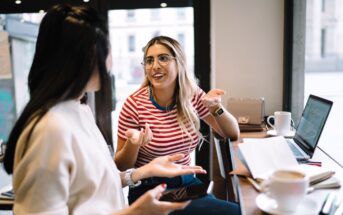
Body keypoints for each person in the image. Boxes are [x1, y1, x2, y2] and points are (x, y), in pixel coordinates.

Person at [2, 5, 208, 215]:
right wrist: (134, 212)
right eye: (106, 50)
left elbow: (99, 181)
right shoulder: (48, 130)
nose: (110, 60)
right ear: (83, 59)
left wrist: (147, 170)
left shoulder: (80, 111)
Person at [115, 36, 240, 214]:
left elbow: (232, 134)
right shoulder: (134, 104)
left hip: (187, 185)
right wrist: (133, 144)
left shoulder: (192, 94)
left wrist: (216, 108)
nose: (155, 66)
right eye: (149, 60)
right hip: (151, 191)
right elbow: (121, 165)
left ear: (179, 62)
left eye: (163, 58)